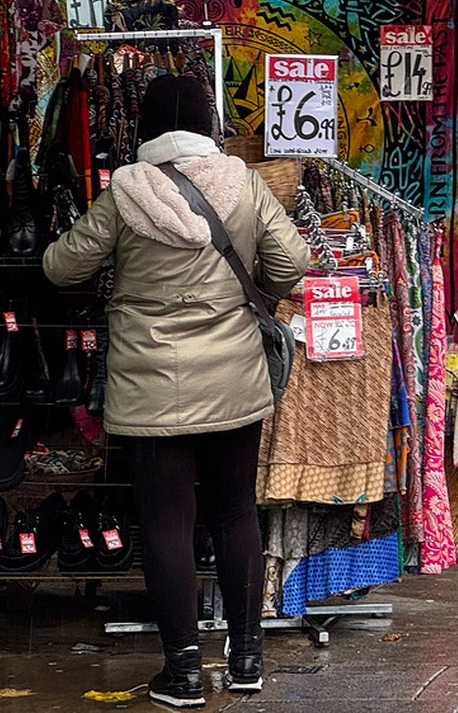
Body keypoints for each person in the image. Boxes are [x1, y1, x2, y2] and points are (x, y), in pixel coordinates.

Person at [43, 75, 309, 708]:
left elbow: (60, 266)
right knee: (235, 513)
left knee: (166, 524)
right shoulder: (244, 182)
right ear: (208, 123)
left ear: (148, 126)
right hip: (234, 381)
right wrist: (256, 301)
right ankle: (246, 659)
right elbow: (292, 261)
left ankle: (183, 675)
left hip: (149, 385)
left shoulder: (124, 193)